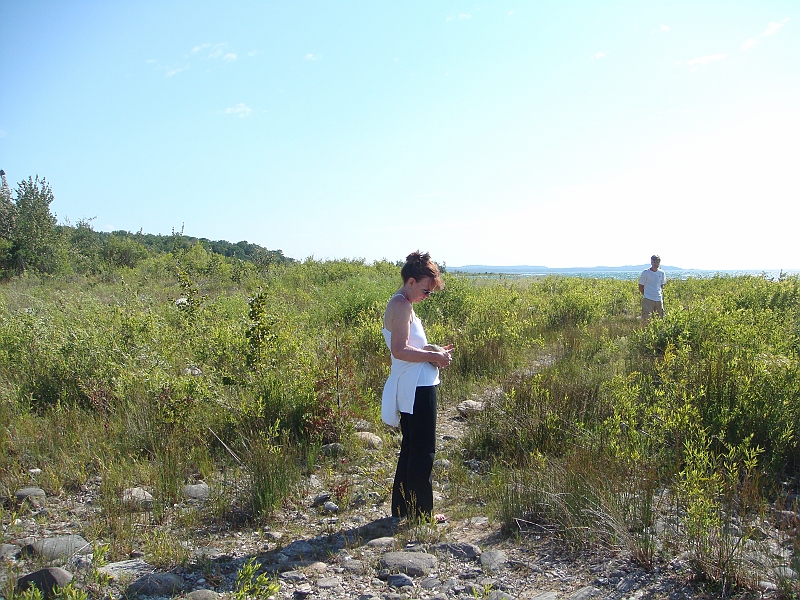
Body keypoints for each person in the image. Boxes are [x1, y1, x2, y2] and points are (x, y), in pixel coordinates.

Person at [381, 251, 453, 521]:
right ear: (411, 281)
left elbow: (409, 345)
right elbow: (399, 350)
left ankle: (403, 508)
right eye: (425, 290)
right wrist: (433, 357)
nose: (427, 296)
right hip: (416, 388)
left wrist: (432, 350)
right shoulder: (401, 305)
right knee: (422, 449)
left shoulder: (402, 303)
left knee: (411, 447)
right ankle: (421, 513)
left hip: (413, 385)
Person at [639, 254, 666, 322]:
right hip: (648, 299)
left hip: (658, 299)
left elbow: (661, 285)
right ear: (651, 262)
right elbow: (641, 286)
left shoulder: (661, 273)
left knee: (660, 318)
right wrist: (646, 294)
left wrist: (657, 293)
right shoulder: (646, 273)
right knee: (646, 319)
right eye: (654, 262)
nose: (655, 264)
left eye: (657, 262)